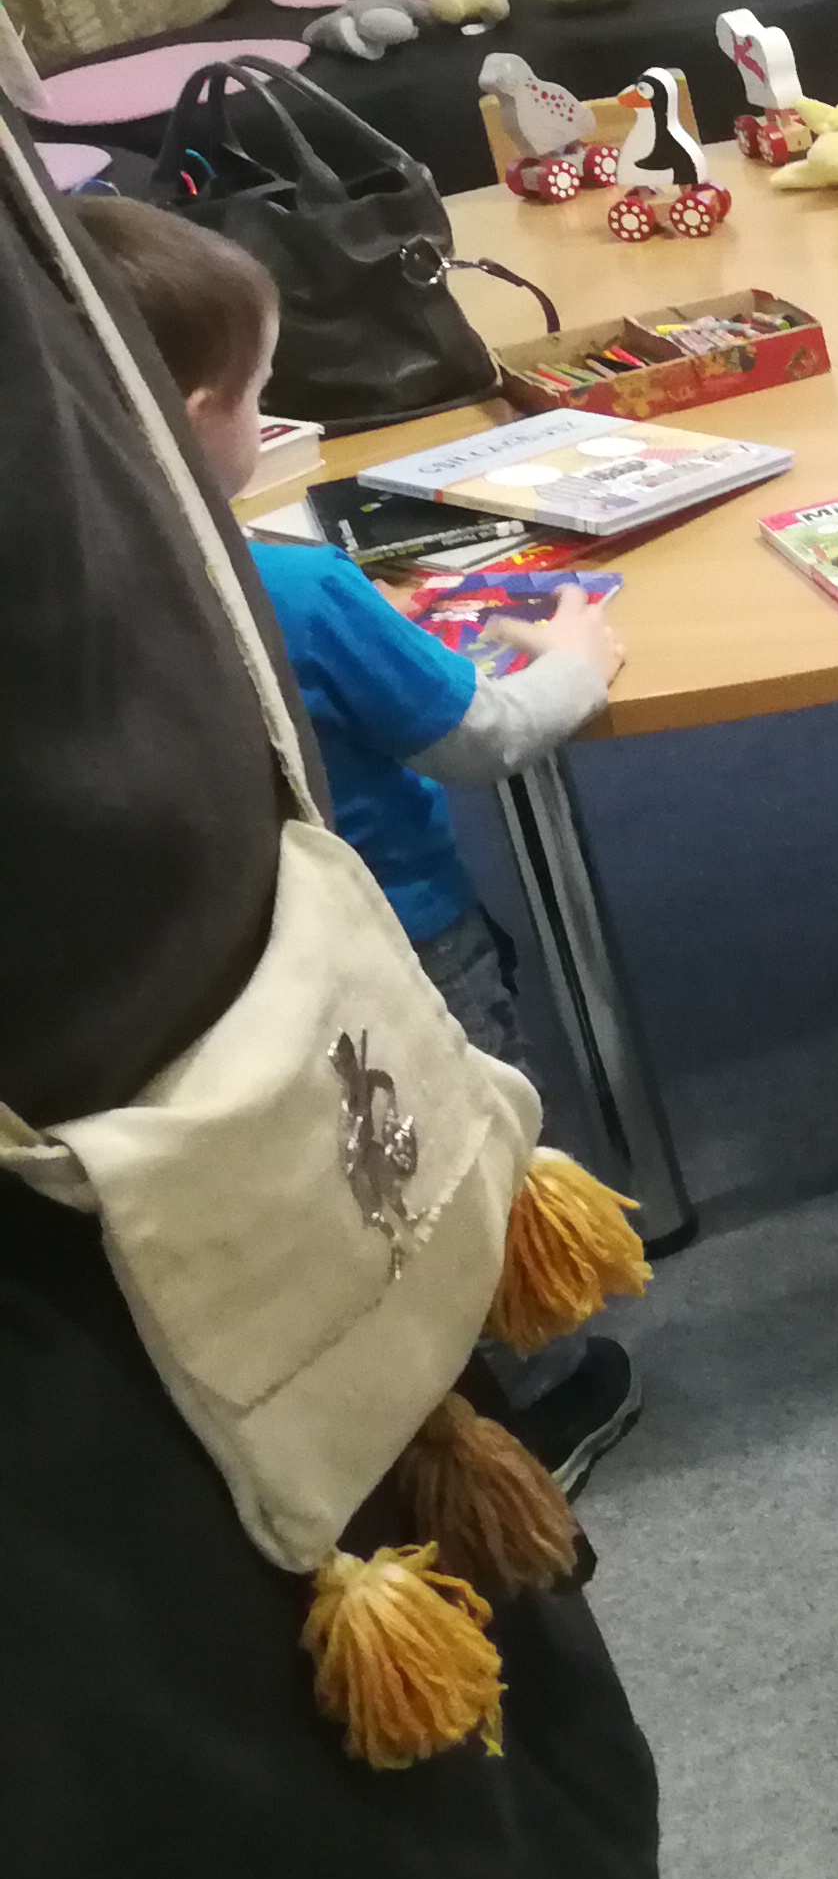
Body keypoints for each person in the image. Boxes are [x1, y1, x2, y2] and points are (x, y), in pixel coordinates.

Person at [72, 195, 645, 1489]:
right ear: (201, 416)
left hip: (208, 985)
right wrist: (576, 657)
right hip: (398, 942)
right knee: (459, 1152)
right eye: (262, 394)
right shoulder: (295, 585)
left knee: (338, 1180)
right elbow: (487, 734)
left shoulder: (79, 608)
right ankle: (546, 1397)